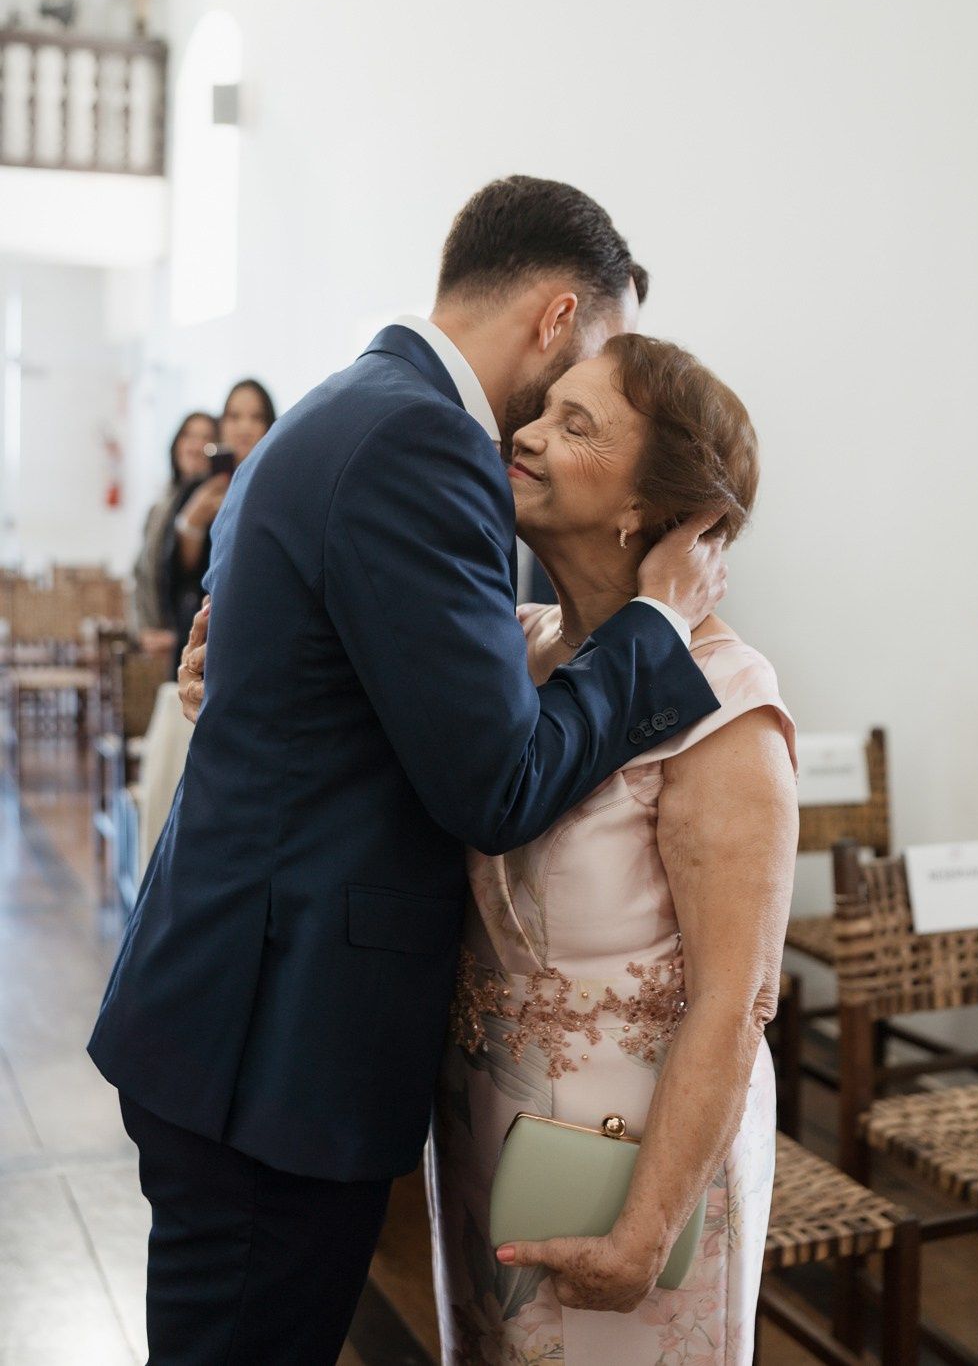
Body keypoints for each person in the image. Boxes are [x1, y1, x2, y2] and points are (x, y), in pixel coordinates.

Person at [87, 176, 729, 1366]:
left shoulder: (348, 406)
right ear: (557, 316)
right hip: (271, 1046)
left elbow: (311, 675)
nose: (576, 403)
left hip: (242, 1006)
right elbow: (492, 782)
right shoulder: (422, 442)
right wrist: (657, 627)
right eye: (602, 355)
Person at [428, 334, 799, 1366]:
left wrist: (644, 1232)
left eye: (576, 424)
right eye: (542, 411)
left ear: (650, 508)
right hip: (482, 1132)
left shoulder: (728, 707)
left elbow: (738, 998)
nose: (528, 434)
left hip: (634, 1163)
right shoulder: (514, 648)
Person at [164, 378, 276, 673]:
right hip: (200, 632)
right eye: (235, 416)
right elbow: (180, 573)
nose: (244, 427)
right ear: (222, 424)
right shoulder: (199, 489)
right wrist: (194, 519)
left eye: (256, 417)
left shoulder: (277, 487)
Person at [132, 411, 218, 657]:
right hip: (154, 634)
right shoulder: (160, 508)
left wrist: (178, 637)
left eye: (206, 437)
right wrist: (144, 630)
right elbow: (142, 572)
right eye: (189, 436)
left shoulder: (218, 505)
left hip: (190, 641)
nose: (196, 445)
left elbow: (197, 580)